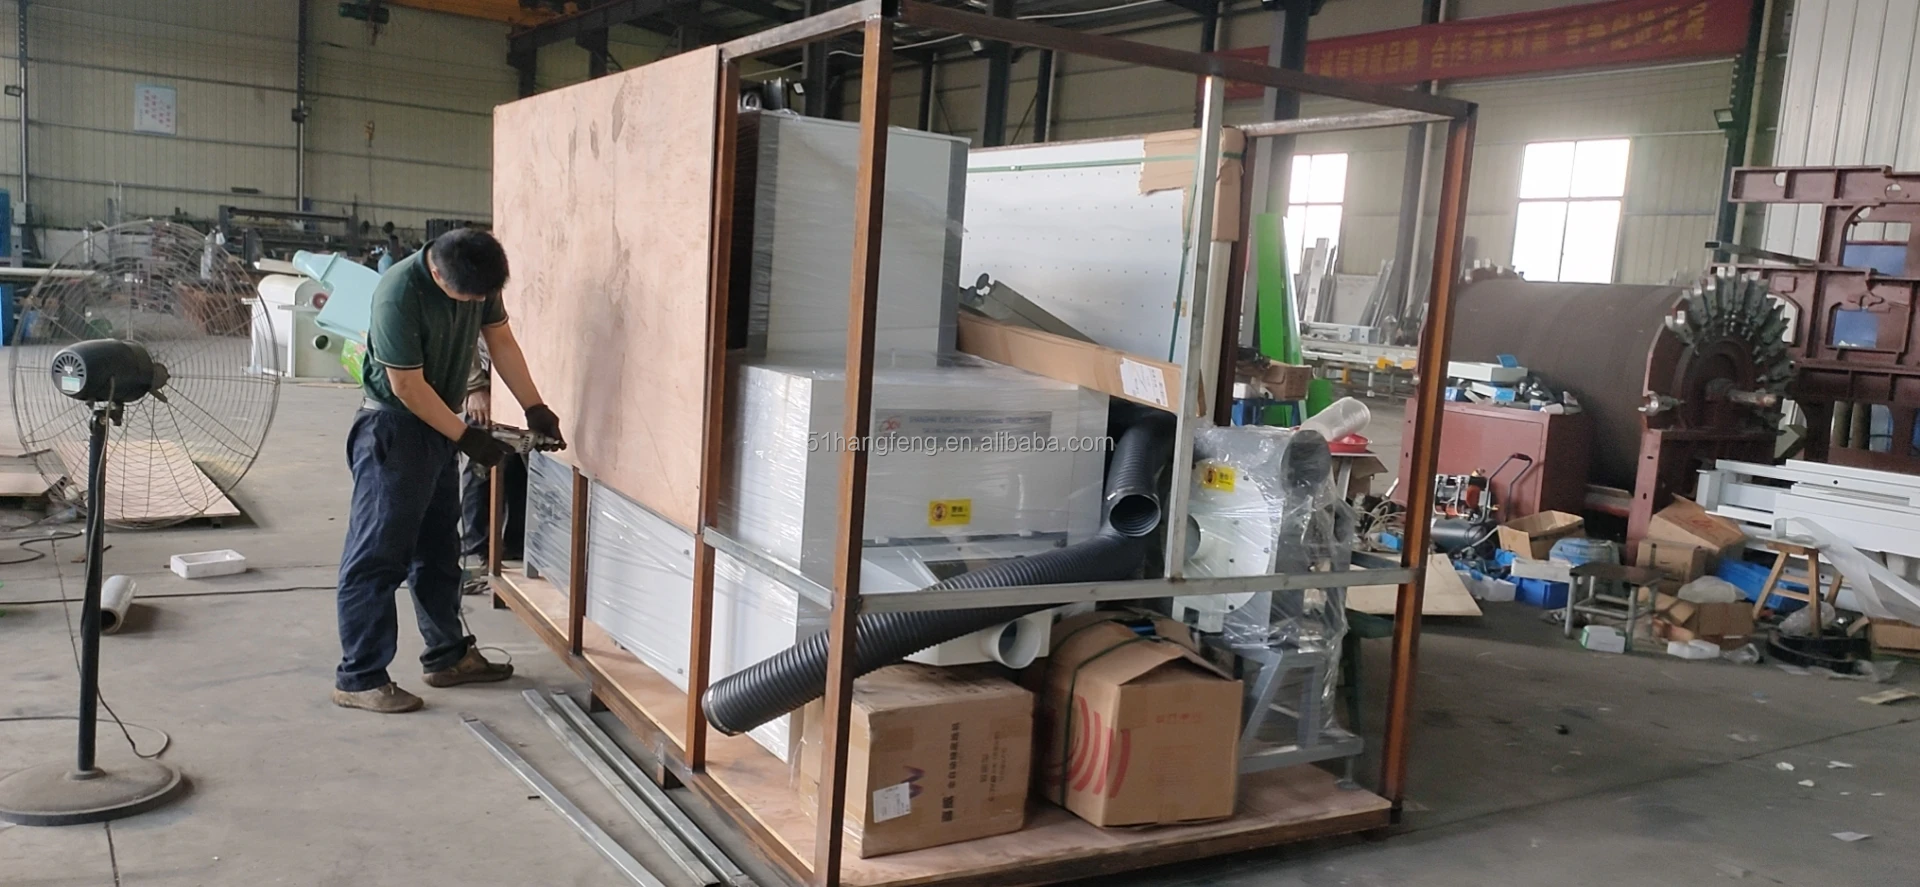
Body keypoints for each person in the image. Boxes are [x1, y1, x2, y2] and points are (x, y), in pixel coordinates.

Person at [332, 228, 564, 714]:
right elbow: (407, 387)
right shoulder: (398, 294)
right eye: (470, 297)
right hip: (393, 429)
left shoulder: (477, 274)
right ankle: (359, 678)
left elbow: (500, 340)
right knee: (378, 557)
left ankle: (448, 657)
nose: (478, 303)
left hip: (437, 428)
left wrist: (535, 406)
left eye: (484, 296)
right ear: (437, 273)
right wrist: (466, 437)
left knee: (439, 550)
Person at [459, 336, 527, 578]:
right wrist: (474, 387)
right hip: (490, 379)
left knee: (518, 464)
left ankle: (514, 545)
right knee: (484, 462)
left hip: (521, 377)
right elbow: (468, 332)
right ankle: (474, 550)